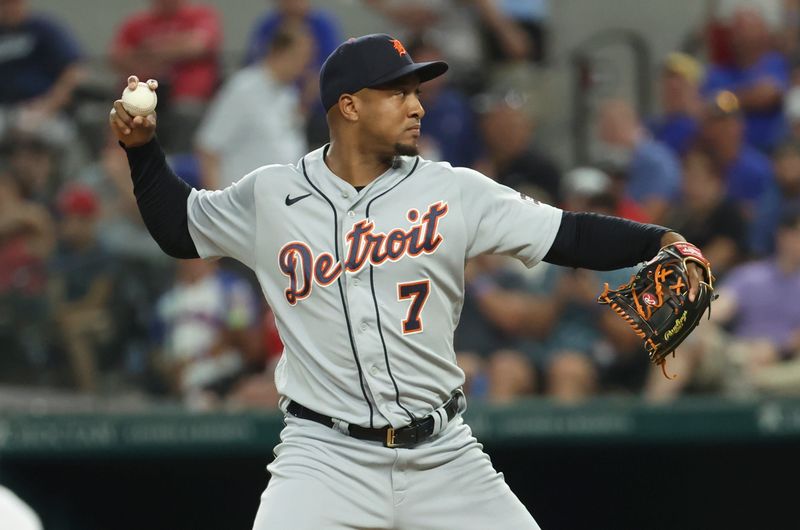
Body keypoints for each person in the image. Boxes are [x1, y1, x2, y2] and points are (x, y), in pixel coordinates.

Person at [109, 34, 706, 530]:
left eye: (416, 92)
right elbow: (179, 228)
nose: (417, 105)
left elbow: (568, 234)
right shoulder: (272, 194)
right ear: (349, 106)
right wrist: (142, 151)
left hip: (444, 454)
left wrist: (660, 241)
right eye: (398, 93)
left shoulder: (453, 190)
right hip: (324, 458)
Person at [195, 22, 314, 190]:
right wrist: (214, 207)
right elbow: (209, 148)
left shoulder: (289, 94)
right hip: (242, 206)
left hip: (280, 204)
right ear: (280, 52)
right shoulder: (243, 89)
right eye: (301, 57)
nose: (305, 66)